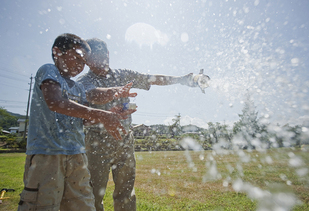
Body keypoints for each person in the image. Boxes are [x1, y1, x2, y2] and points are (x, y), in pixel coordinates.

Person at [17, 33, 136, 211]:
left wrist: (110, 113)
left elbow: (85, 118)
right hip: (48, 155)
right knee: (43, 204)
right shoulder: (49, 70)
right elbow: (55, 102)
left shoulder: (78, 87)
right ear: (57, 52)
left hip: (77, 155)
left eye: (84, 62)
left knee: (82, 204)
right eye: (78, 58)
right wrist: (101, 115)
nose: (81, 65)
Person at [77, 38, 197, 211]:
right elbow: (92, 94)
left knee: (126, 193)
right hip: (97, 141)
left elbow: (151, 79)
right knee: (93, 193)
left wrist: (180, 79)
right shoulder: (84, 81)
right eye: (91, 58)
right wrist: (114, 92)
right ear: (86, 60)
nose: (97, 62)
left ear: (108, 55)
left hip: (125, 140)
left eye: (101, 56)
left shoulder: (123, 74)